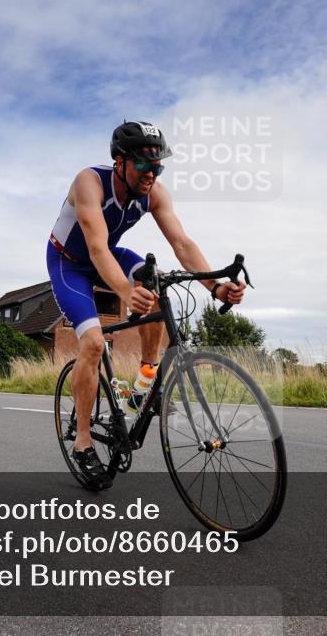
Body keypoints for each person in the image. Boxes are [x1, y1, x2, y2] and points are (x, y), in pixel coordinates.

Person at [47, 120, 246, 489]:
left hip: (111, 255)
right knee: (92, 343)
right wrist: (125, 292)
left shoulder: (155, 193)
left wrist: (215, 287)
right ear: (120, 161)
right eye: (143, 164)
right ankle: (83, 441)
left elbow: (182, 244)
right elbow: (95, 248)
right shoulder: (89, 182)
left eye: (158, 166)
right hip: (69, 263)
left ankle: (144, 382)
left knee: (157, 284)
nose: (151, 173)